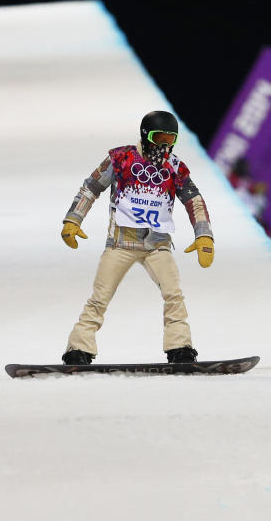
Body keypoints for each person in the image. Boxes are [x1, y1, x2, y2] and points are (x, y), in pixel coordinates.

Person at [60, 111, 214, 365]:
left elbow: (194, 200)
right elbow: (91, 186)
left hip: (157, 245)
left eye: (171, 139)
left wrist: (204, 235)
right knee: (100, 296)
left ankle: (180, 346)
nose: (165, 145)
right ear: (146, 135)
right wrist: (73, 219)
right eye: (160, 137)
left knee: (173, 294)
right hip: (121, 242)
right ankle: (79, 347)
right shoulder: (121, 159)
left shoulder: (174, 167)